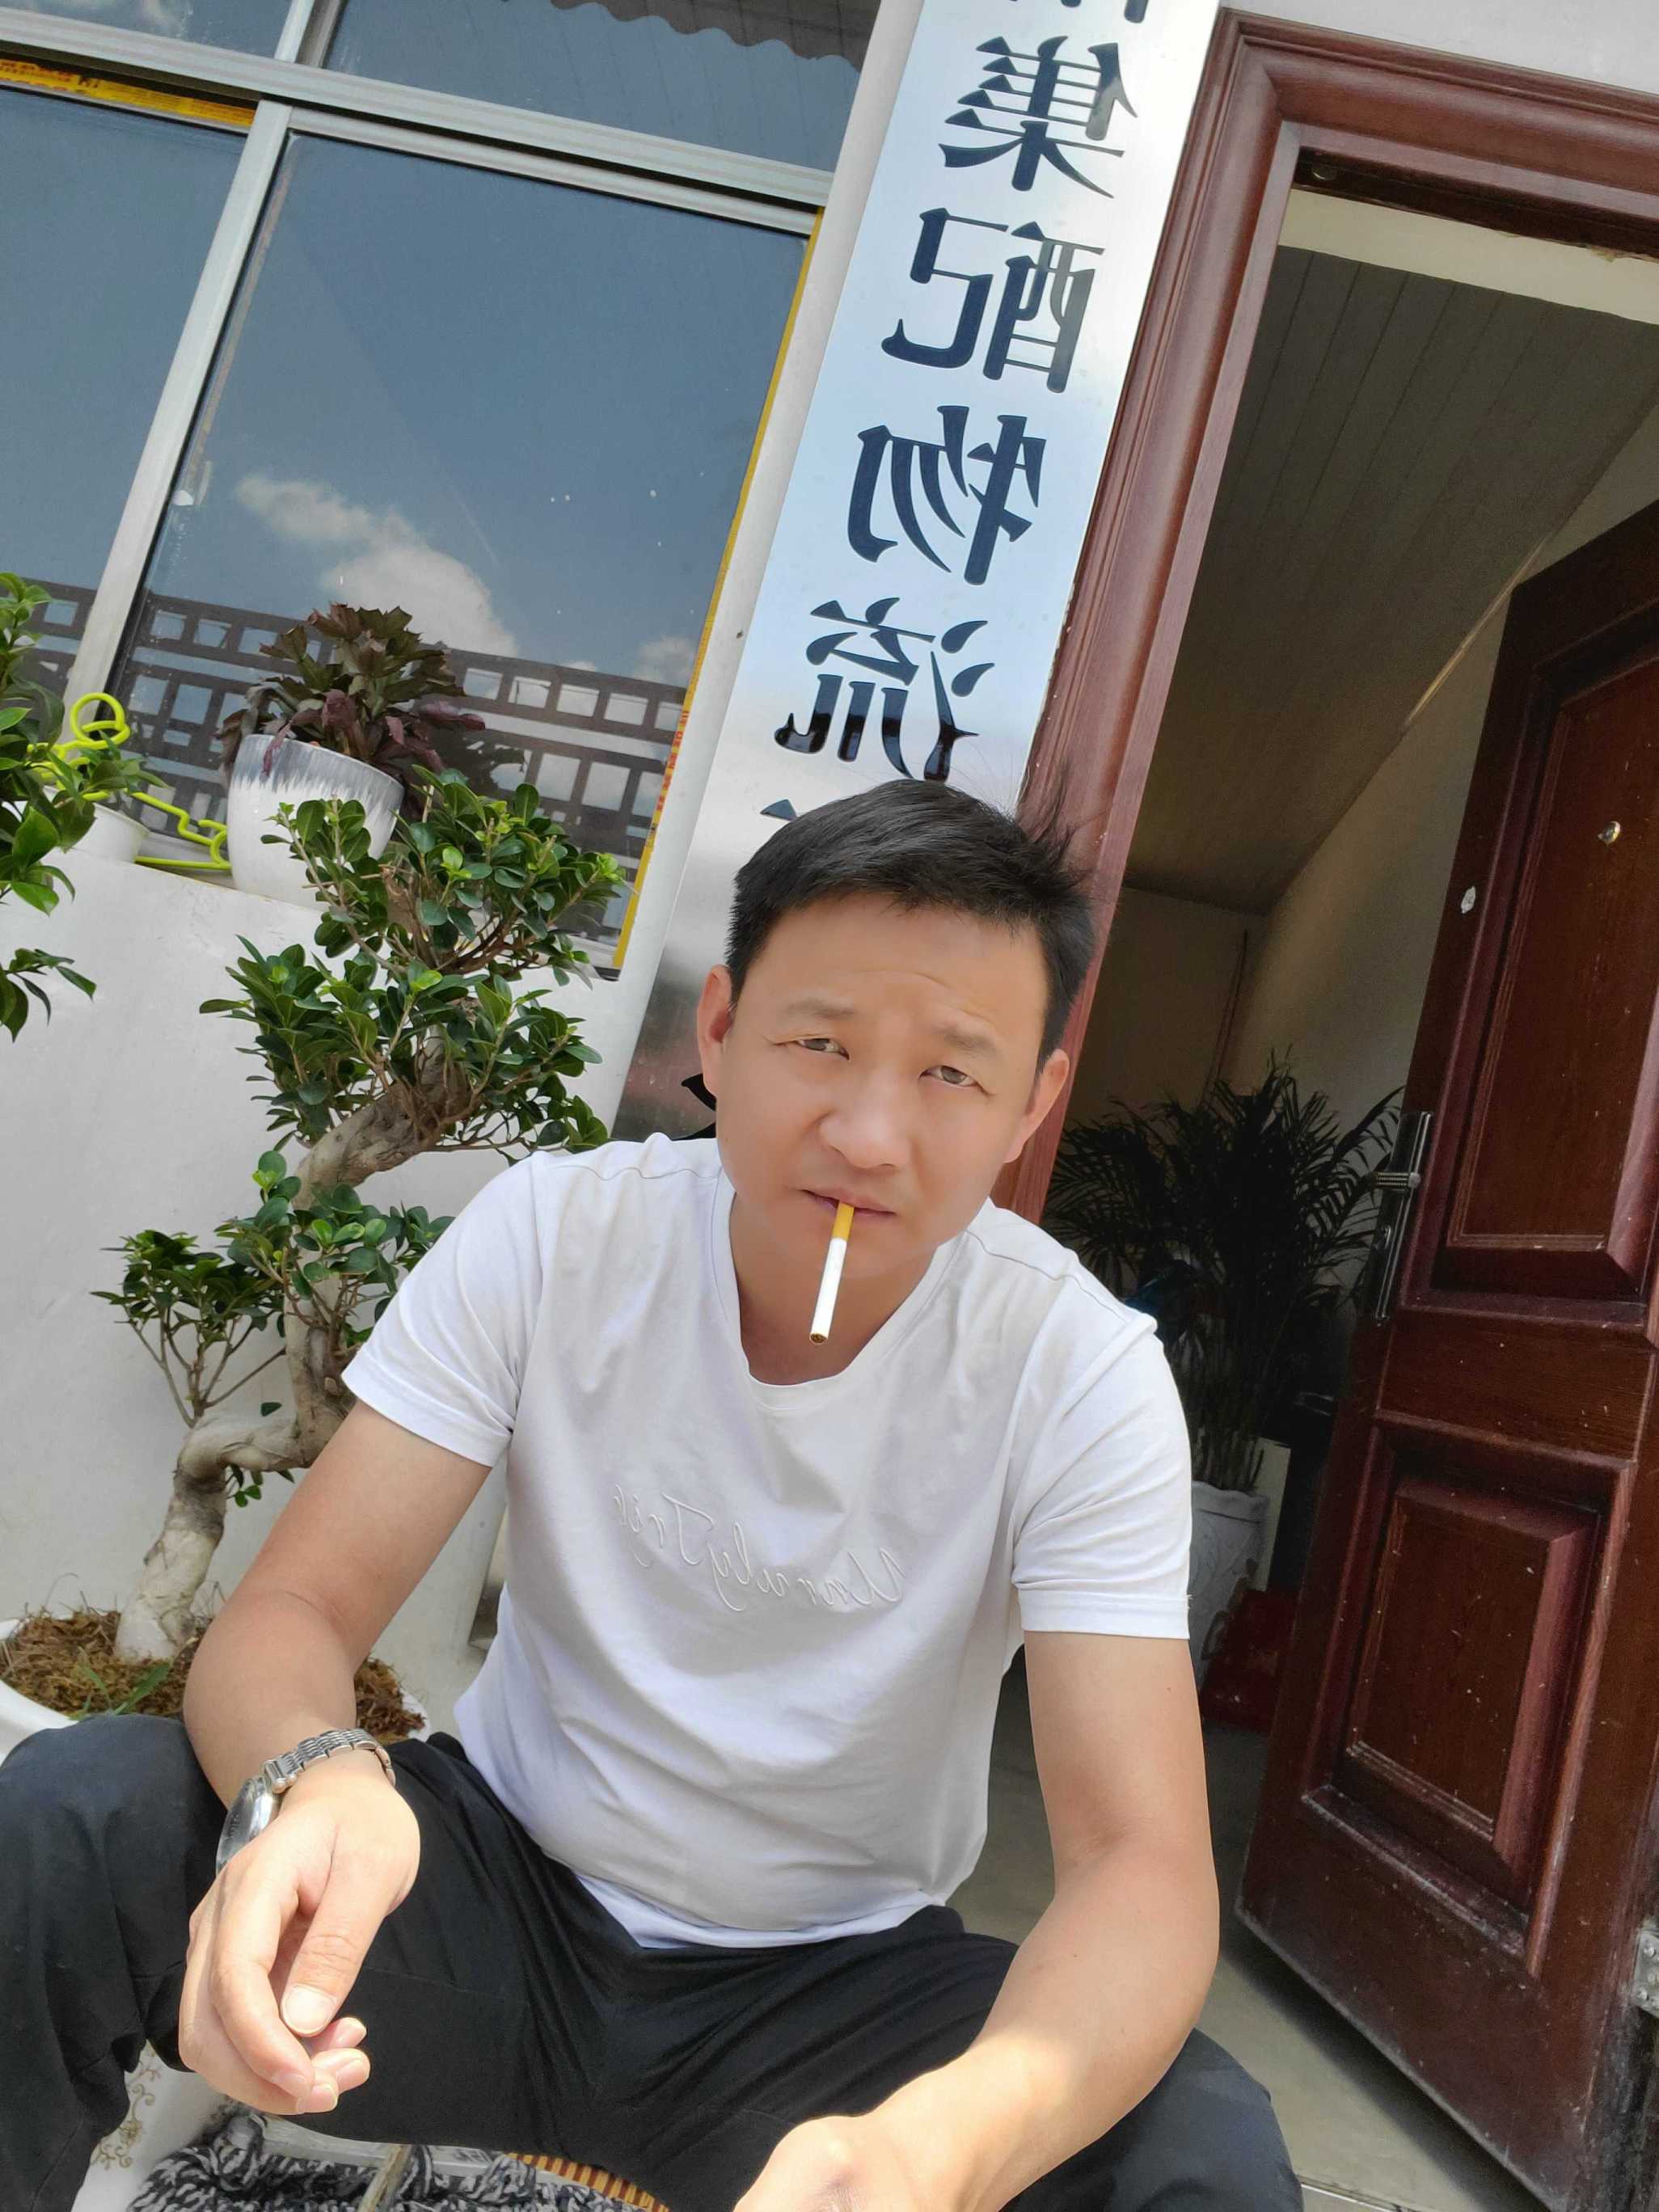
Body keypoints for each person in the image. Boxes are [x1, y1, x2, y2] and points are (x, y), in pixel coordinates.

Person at [1, 781, 1298, 2212]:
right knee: (74, 1820)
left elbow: (1140, 1867)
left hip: (828, 1997)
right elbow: (295, 1608)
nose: (871, 1134)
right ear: (722, 1031)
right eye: (821, 1043)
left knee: (1199, 2151)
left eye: (952, 1074)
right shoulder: (561, 1234)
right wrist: (316, 1780)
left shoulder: (1079, 1372)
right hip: (488, 1896)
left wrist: (943, 2147)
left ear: (1031, 1105)